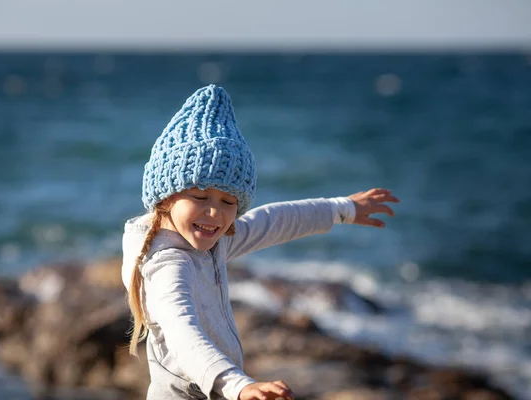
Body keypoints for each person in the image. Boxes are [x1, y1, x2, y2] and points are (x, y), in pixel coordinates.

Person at [121, 84, 399, 400]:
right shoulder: (166, 264)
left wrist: (342, 209)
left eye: (229, 202)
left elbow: (273, 221)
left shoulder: (211, 239)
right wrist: (239, 385)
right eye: (200, 196)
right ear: (165, 199)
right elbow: (185, 334)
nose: (214, 212)